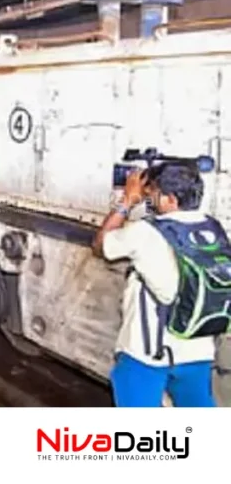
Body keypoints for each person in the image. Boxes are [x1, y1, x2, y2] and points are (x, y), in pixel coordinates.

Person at [92, 162, 225, 407]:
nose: (150, 198)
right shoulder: (213, 227)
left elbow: (101, 246)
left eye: (154, 193)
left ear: (171, 199)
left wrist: (128, 200)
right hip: (198, 349)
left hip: (148, 353)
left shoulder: (145, 232)